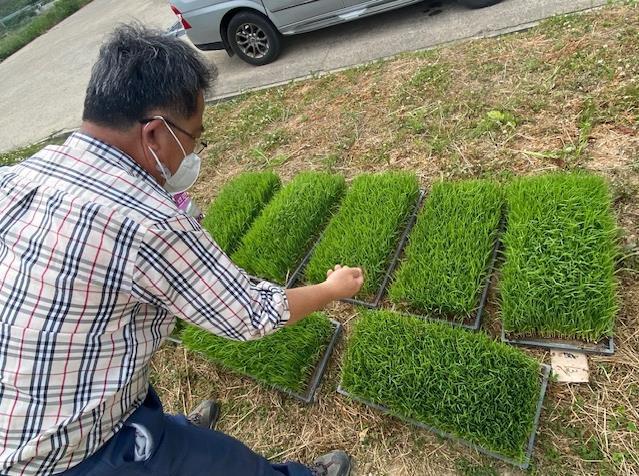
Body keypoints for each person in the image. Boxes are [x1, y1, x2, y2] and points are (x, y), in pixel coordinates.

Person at [0, 24, 363, 476]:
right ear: (154, 134)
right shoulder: (148, 221)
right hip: (63, 454)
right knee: (232, 468)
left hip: (37, 401)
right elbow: (251, 315)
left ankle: (159, 428)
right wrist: (331, 288)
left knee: (148, 411)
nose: (192, 152)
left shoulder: (22, 172)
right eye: (192, 137)